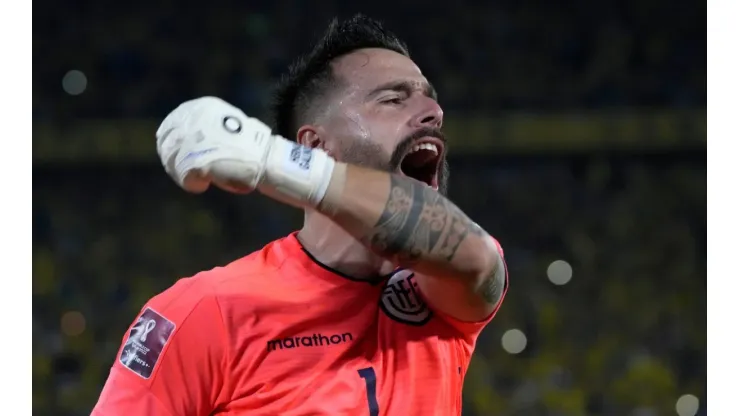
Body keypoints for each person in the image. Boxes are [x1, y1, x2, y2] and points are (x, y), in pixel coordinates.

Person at [92, 14, 508, 416]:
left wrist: (269, 158)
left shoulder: (437, 293)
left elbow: (471, 257)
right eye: (394, 98)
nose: (433, 112)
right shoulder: (205, 311)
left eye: (429, 98)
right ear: (314, 145)